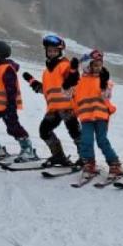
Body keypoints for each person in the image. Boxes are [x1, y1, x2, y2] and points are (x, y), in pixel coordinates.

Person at [20, 33, 82, 167]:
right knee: (44, 131)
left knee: (75, 133)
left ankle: (86, 158)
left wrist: (74, 71)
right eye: (49, 51)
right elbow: (46, 90)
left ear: (60, 51)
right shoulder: (46, 72)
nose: (52, 53)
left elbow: (73, 80)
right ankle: (58, 156)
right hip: (53, 108)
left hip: (68, 106)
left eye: (55, 51)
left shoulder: (65, 65)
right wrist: (32, 81)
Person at [68, 49, 123, 178]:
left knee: (102, 140)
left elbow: (107, 96)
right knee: (86, 140)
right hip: (86, 117)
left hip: (100, 116)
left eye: (100, 65)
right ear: (88, 66)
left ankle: (115, 164)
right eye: (95, 65)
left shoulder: (104, 80)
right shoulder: (79, 82)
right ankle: (89, 164)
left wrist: (104, 85)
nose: (98, 68)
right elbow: (71, 95)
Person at [0, 40, 33, 161]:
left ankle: (28, 149)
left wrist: (11, 108)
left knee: (13, 128)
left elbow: (11, 91)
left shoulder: (7, 69)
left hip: (8, 106)